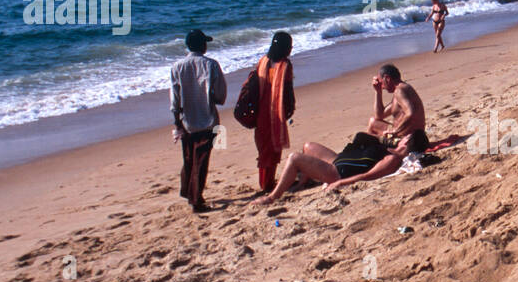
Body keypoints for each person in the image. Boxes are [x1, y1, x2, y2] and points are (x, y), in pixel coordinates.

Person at [251, 64, 429, 204]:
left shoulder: (393, 158)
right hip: (342, 159)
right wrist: (377, 93)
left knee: (294, 158)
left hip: (338, 172)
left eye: (381, 83)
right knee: (308, 146)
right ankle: (303, 181)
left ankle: (272, 197)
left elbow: (367, 176)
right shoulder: (392, 145)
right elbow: (379, 115)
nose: (380, 85)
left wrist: (339, 183)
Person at [170, 28, 227, 213]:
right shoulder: (211, 65)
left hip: (186, 120)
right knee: (200, 161)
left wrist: (176, 122)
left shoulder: (177, 66)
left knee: (188, 158)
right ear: (202, 46)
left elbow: (175, 99)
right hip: (207, 119)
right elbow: (220, 95)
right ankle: (196, 200)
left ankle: (188, 192)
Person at [253, 31, 295, 193]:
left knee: (263, 148)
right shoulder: (285, 65)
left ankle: (265, 181)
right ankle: (267, 184)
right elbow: (288, 90)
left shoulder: (262, 62)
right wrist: (290, 109)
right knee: (272, 149)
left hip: (260, 112)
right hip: (275, 113)